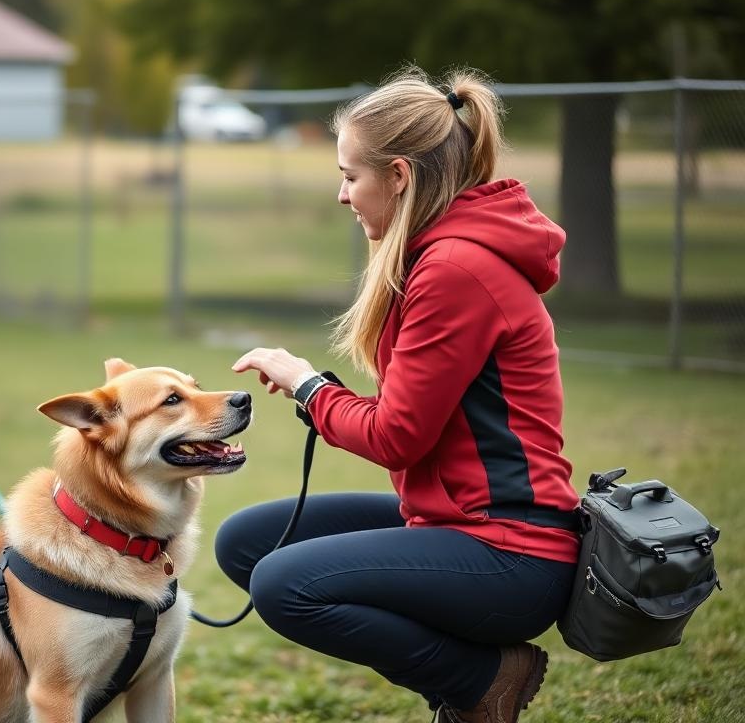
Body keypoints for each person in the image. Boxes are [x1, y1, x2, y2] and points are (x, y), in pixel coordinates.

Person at [221, 65, 580, 723]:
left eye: (349, 176)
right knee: (247, 542)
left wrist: (307, 387)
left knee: (283, 583)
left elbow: (396, 435)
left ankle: (481, 681)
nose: (342, 195)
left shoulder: (456, 268)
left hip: (512, 551)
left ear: (400, 176)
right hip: (455, 525)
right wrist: (313, 390)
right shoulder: (441, 256)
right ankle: (468, 686)